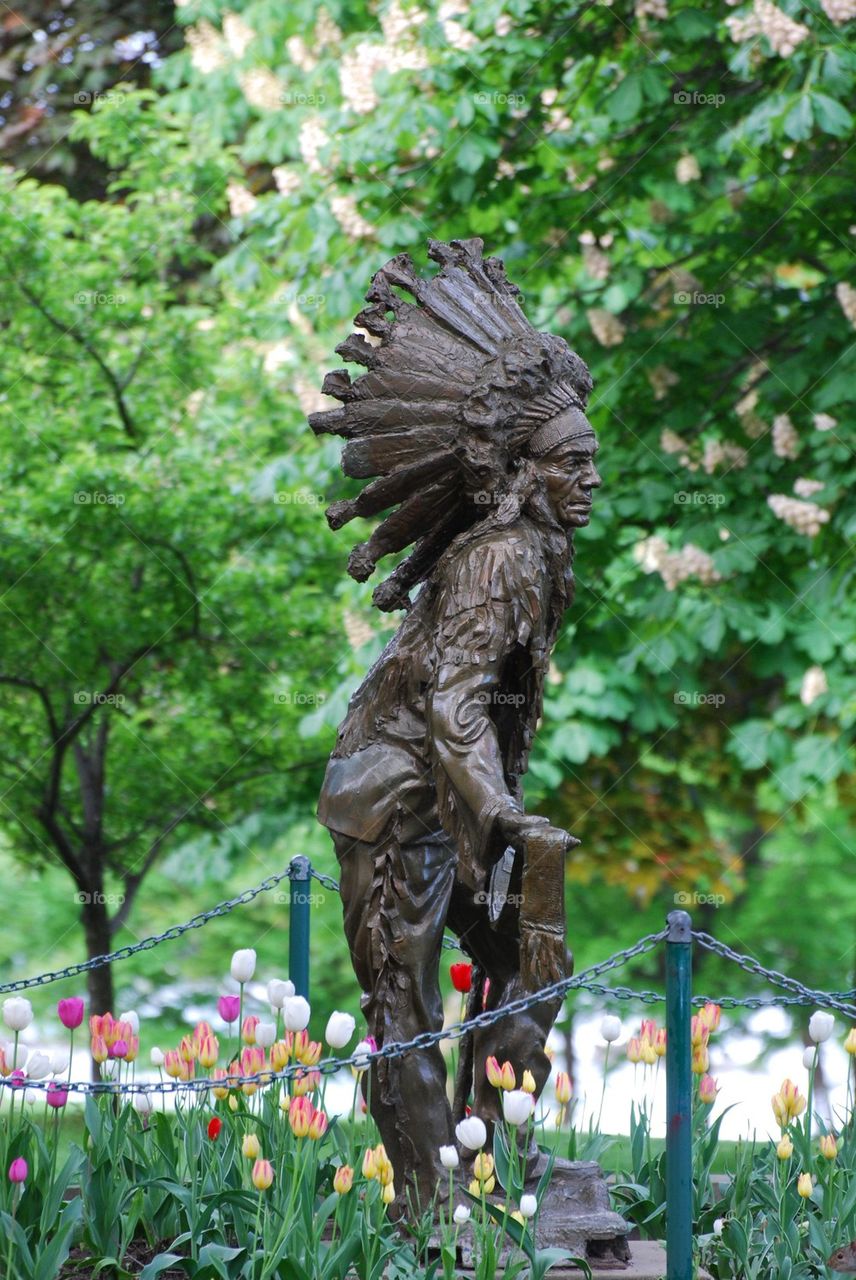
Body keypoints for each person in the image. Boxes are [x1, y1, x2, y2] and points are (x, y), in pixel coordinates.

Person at [310, 238, 601, 1215]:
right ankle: (432, 1204)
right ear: (522, 469)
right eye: (572, 462)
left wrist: (498, 815)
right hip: (396, 795)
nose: (591, 476)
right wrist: (503, 816)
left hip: (458, 792)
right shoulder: (501, 557)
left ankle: (492, 1163)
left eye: (592, 459)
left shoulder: (543, 551)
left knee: (530, 953)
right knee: (405, 999)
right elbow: (455, 701)